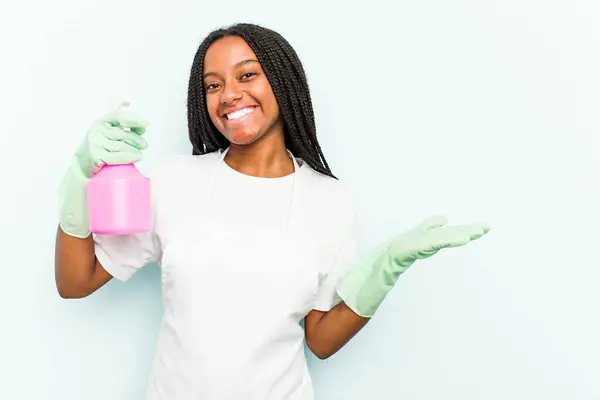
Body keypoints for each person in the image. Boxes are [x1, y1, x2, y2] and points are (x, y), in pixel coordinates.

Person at [54, 22, 491, 400]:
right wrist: (80, 179)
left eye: (248, 75)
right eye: (213, 84)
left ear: (282, 81)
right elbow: (76, 282)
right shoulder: (172, 183)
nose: (229, 95)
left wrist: (386, 269)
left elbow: (319, 340)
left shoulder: (330, 201)